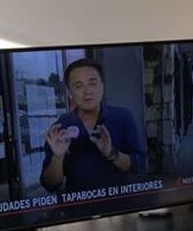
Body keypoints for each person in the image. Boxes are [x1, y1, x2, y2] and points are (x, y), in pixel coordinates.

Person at [40, 58, 146, 193]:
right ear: (69, 92)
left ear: (102, 87)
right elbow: (50, 185)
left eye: (92, 83)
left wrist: (111, 154)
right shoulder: (60, 128)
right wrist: (58, 157)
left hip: (119, 202)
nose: (87, 91)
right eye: (79, 86)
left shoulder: (123, 118)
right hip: (79, 204)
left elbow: (139, 166)